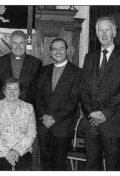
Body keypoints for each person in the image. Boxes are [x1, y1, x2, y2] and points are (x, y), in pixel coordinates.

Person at [81, 16, 120, 171]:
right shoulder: (89, 58)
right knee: (91, 168)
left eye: (107, 30)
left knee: (113, 168)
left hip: (113, 125)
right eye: (100, 30)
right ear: (96, 33)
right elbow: (83, 89)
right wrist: (91, 112)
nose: (104, 34)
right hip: (92, 125)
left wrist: (104, 113)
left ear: (114, 32)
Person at [36, 38, 81, 171]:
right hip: (44, 126)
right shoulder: (44, 71)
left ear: (67, 51)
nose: (58, 52)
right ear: (50, 53)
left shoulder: (76, 72)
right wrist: (44, 116)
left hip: (62, 127)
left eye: (61, 48)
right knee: (45, 164)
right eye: (54, 49)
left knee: (59, 166)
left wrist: (54, 118)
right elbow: (37, 96)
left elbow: (73, 101)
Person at [0, 78, 37, 171]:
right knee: (3, 167)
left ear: (20, 92)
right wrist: (6, 153)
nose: (12, 92)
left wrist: (17, 151)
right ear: (3, 91)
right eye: (9, 89)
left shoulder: (28, 108)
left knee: (23, 168)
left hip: (23, 150)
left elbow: (31, 133)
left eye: (16, 89)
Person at [0, 30, 42, 105]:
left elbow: (38, 90)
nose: (18, 47)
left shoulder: (35, 63)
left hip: (28, 108)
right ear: (10, 44)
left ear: (25, 44)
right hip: (4, 108)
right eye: (15, 43)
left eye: (21, 43)